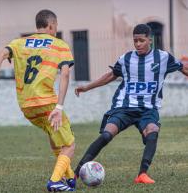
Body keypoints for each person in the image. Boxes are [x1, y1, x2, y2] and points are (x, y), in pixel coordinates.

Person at [74, 24, 188, 184]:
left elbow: (183, 68)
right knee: (106, 135)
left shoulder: (162, 58)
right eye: (135, 41)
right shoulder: (126, 59)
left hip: (148, 109)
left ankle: (142, 174)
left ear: (150, 40)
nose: (138, 44)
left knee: (152, 132)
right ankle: (75, 173)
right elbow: (110, 76)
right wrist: (86, 87)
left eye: (142, 40)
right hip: (124, 108)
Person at [0, 9, 76, 192]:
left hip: (26, 106)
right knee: (70, 145)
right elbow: (65, 73)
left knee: (53, 133)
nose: (56, 29)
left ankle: (69, 176)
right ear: (50, 25)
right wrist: (59, 106)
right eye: (55, 26)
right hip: (47, 102)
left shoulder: (19, 43)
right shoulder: (59, 44)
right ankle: (55, 181)